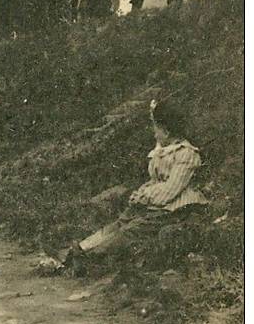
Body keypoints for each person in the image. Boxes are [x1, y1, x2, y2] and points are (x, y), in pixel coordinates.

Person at [50, 99, 208, 273]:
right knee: (120, 222)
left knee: (130, 230)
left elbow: (171, 190)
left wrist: (144, 197)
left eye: (156, 128)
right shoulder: (163, 151)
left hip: (176, 208)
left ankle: (88, 260)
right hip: (156, 203)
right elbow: (155, 181)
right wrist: (140, 193)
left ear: (167, 131)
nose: (154, 133)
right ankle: (78, 250)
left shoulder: (187, 154)